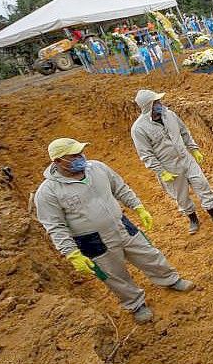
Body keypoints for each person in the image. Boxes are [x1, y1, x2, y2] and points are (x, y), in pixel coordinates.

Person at [35, 138, 194, 324]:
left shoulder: (97, 168)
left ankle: (170, 279)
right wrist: (72, 253)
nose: (80, 157)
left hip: (121, 224)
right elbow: (55, 227)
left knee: (148, 254)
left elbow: (120, 188)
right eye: (74, 156)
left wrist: (138, 207)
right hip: (92, 240)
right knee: (114, 274)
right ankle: (135, 304)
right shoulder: (48, 193)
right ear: (58, 161)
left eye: (80, 152)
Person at [130, 89, 213, 234]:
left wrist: (194, 149)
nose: (160, 104)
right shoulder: (139, 129)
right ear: (148, 106)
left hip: (185, 157)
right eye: (156, 102)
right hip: (168, 166)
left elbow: (184, 131)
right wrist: (162, 172)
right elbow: (146, 155)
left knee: (202, 183)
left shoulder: (170, 115)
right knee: (181, 195)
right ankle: (193, 219)